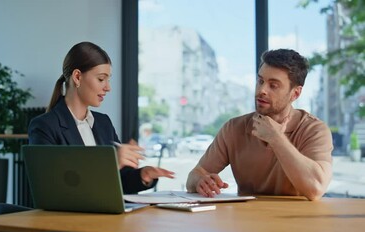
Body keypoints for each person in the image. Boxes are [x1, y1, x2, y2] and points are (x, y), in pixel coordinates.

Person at [186, 49, 333, 201]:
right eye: (260, 81)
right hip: (248, 221)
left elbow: (316, 188)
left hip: (296, 222)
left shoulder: (314, 130)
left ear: (295, 94)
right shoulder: (234, 128)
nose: (262, 90)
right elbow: (195, 174)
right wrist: (200, 181)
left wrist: (276, 138)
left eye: (273, 85)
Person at [28, 41, 174, 194]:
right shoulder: (44, 126)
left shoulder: (103, 123)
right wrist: (110, 163)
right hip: (68, 217)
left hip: (105, 215)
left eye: (108, 79)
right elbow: (54, 187)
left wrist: (143, 176)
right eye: (101, 79)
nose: (108, 87)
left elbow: (119, 181)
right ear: (77, 77)